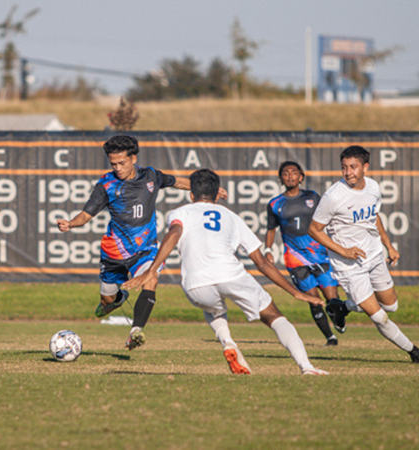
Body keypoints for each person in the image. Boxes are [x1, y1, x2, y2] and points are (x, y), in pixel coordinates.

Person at [124, 169, 328, 375]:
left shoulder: (179, 213)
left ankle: (228, 341)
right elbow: (262, 264)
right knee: (273, 316)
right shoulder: (232, 217)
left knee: (213, 308)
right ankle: (306, 366)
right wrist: (294, 292)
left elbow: (174, 233)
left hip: (195, 284)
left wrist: (152, 270)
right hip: (231, 275)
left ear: (191, 195)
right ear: (216, 194)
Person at [57, 135, 216, 350]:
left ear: (133, 159)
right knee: (107, 301)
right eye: (113, 164)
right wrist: (70, 224)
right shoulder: (106, 184)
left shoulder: (150, 176)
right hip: (113, 253)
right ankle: (118, 299)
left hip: (145, 250)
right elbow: (86, 215)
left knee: (151, 279)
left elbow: (177, 182)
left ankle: (136, 331)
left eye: (122, 163)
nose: (118, 168)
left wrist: (205, 194)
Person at [309, 145, 419, 363]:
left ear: (365, 167)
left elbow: (374, 217)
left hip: (374, 255)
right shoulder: (333, 196)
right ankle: (414, 352)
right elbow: (314, 229)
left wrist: (389, 245)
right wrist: (344, 251)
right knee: (380, 317)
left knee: (391, 306)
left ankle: (341, 307)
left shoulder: (373, 187)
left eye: (353, 167)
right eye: (344, 167)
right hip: (348, 266)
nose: (348, 172)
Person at [265, 161, 340, 346]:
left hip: (319, 254)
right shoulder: (275, 203)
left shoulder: (313, 197)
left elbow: (326, 219)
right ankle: (330, 338)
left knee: (332, 297)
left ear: (301, 177)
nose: (290, 176)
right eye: (285, 173)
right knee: (313, 300)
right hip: (295, 258)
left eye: (294, 173)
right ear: (280, 178)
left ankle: (339, 318)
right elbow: (271, 229)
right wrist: (267, 250)